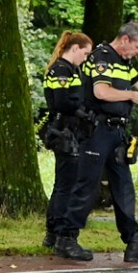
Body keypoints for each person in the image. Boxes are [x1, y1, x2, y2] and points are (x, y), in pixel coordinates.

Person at [62, 20, 138, 263]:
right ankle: (66, 238)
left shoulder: (124, 62)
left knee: (124, 188)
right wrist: (130, 94)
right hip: (97, 131)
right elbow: (101, 92)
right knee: (87, 186)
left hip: (117, 133)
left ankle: (134, 243)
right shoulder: (103, 57)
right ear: (125, 39)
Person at [40, 31, 95, 258]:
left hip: (66, 130)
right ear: (75, 49)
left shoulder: (69, 69)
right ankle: (62, 234)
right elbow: (62, 102)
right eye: (85, 52)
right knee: (68, 185)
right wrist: (83, 112)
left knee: (62, 184)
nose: (86, 58)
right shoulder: (62, 70)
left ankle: (52, 232)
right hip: (66, 131)